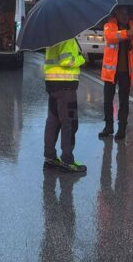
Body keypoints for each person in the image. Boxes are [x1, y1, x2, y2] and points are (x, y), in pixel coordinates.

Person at [99, 6, 133, 140]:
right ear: (116, 13)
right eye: (122, 13)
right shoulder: (110, 25)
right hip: (110, 72)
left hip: (126, 72)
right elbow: (110, 37)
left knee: (123, 101)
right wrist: (127, 33)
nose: (125, 15)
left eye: (127, 13)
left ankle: (122, 128)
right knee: (108, 101)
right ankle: (108, 127)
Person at [43, 38, 87, 173]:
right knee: (69, 123)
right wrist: (81, 59)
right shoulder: (67, 38)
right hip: (65, 86)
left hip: (52, 84)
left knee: (53, 121)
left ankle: (49, 157)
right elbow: (66, 60)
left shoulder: (52, 36)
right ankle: (67, 160)